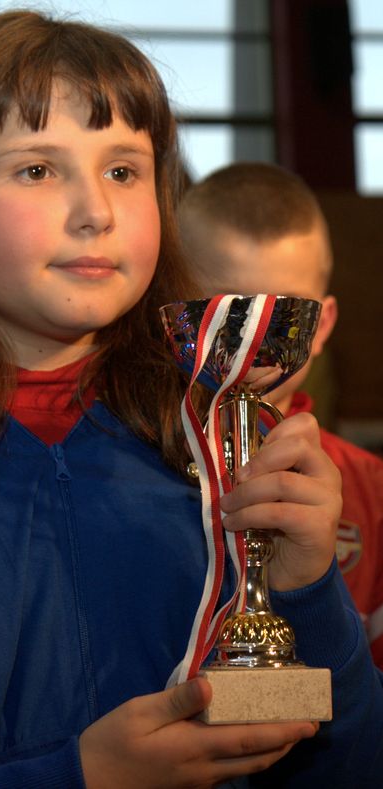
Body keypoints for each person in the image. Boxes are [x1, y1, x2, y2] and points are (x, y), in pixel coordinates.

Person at [0, 12, 380, 788]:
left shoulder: (232, 446)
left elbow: (352, 769)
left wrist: (307, 594)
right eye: (37, 169)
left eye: (124, 171)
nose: (96, 211)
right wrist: (81, 776)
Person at [178, 161, 383, 669]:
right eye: (228, 314)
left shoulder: (373, 492)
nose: (251, 344)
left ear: (323, 323)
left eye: (282, 318)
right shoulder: (121, 469)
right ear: (174, 314)